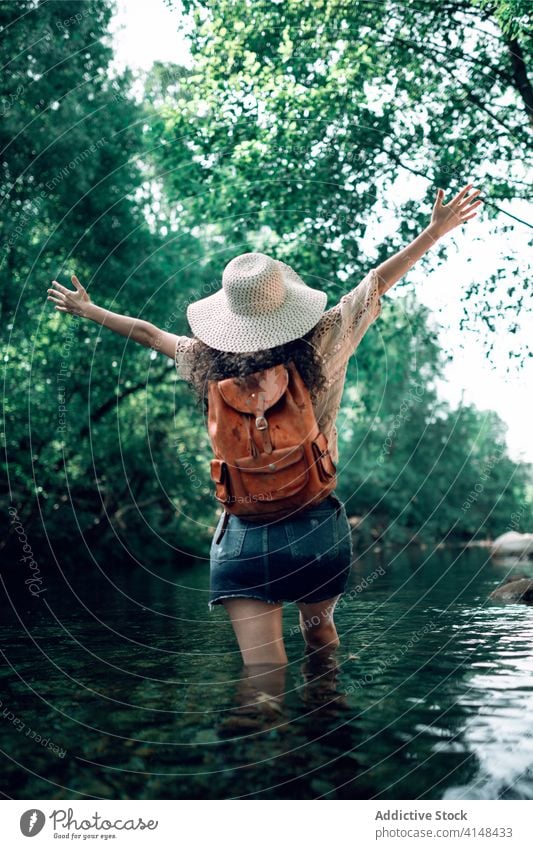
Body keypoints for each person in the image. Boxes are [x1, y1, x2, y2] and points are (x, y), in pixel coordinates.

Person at [47, 183, 482, 673]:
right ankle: (325, 727)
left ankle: (266, 733)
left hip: (242, 537)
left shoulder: (203, 359)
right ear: (285, 302)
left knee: (262, 676)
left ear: (228, 314)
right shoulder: (324, 342)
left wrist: (89, 310)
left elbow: (148, 333)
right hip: (315, 527)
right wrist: (433, 232)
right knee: (321, 645)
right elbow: (375, 283)